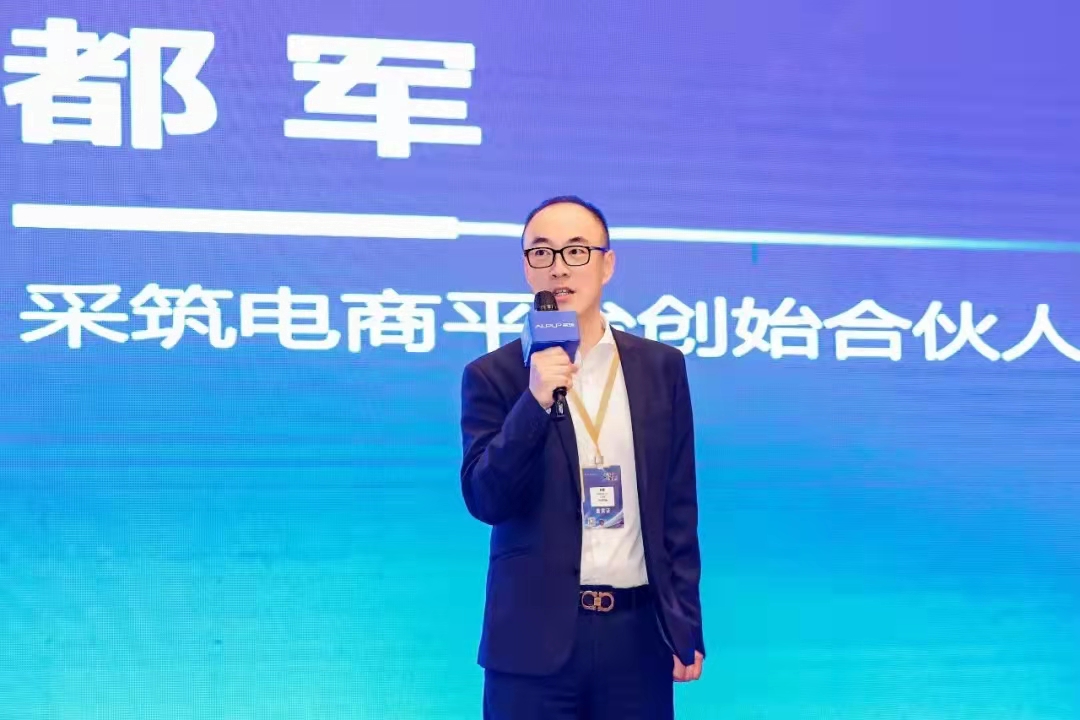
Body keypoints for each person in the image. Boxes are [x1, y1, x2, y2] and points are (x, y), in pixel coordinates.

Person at [459, 196, 705, 719]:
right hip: (531, 642)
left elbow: (678, 507)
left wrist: (684, 621)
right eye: (542, 253)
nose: (559, 268)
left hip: (637, 637)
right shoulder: (493, 376)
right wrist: (533, 401)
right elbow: (485, 498)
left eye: (576, 251)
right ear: (527, 267)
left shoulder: (660, 367)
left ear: (606, 264)